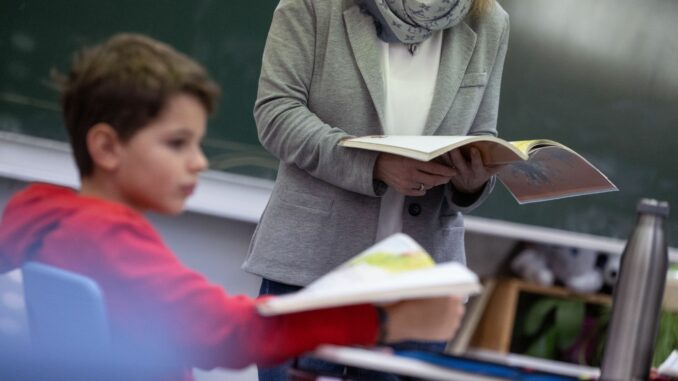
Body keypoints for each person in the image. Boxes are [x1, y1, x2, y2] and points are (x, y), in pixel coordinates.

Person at [0, 34, 465, 381]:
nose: (199, 161)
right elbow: (223, 330)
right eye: (176, 143)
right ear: (106, 146)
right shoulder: (109, 236)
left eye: (198, 143)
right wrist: (384, 320)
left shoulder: (37, 212)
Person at [244, 0, 509, 379]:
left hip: (419, 285)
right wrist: (374, 165)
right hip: (310, 270)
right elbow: (277, 114)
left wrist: (472, 182)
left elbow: (482, 132)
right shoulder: (313, 6)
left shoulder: (489, 20)